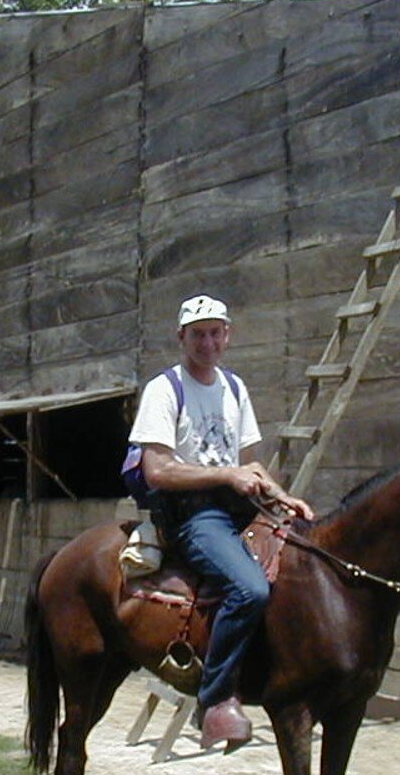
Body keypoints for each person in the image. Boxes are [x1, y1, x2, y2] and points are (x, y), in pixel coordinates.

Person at [128, 294, 315, 750]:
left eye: (215, 333)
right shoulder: (164, 389)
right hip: (194, 512)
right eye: (198, 334)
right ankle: (213, 700)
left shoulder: (234, 387)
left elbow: (249, 464)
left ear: (227, 335)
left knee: (305, 560)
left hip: (237, 506)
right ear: (182, 338)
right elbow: (158, 470)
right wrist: (226, 475)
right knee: (249, 588)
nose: (207, 342)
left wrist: (283, 497)